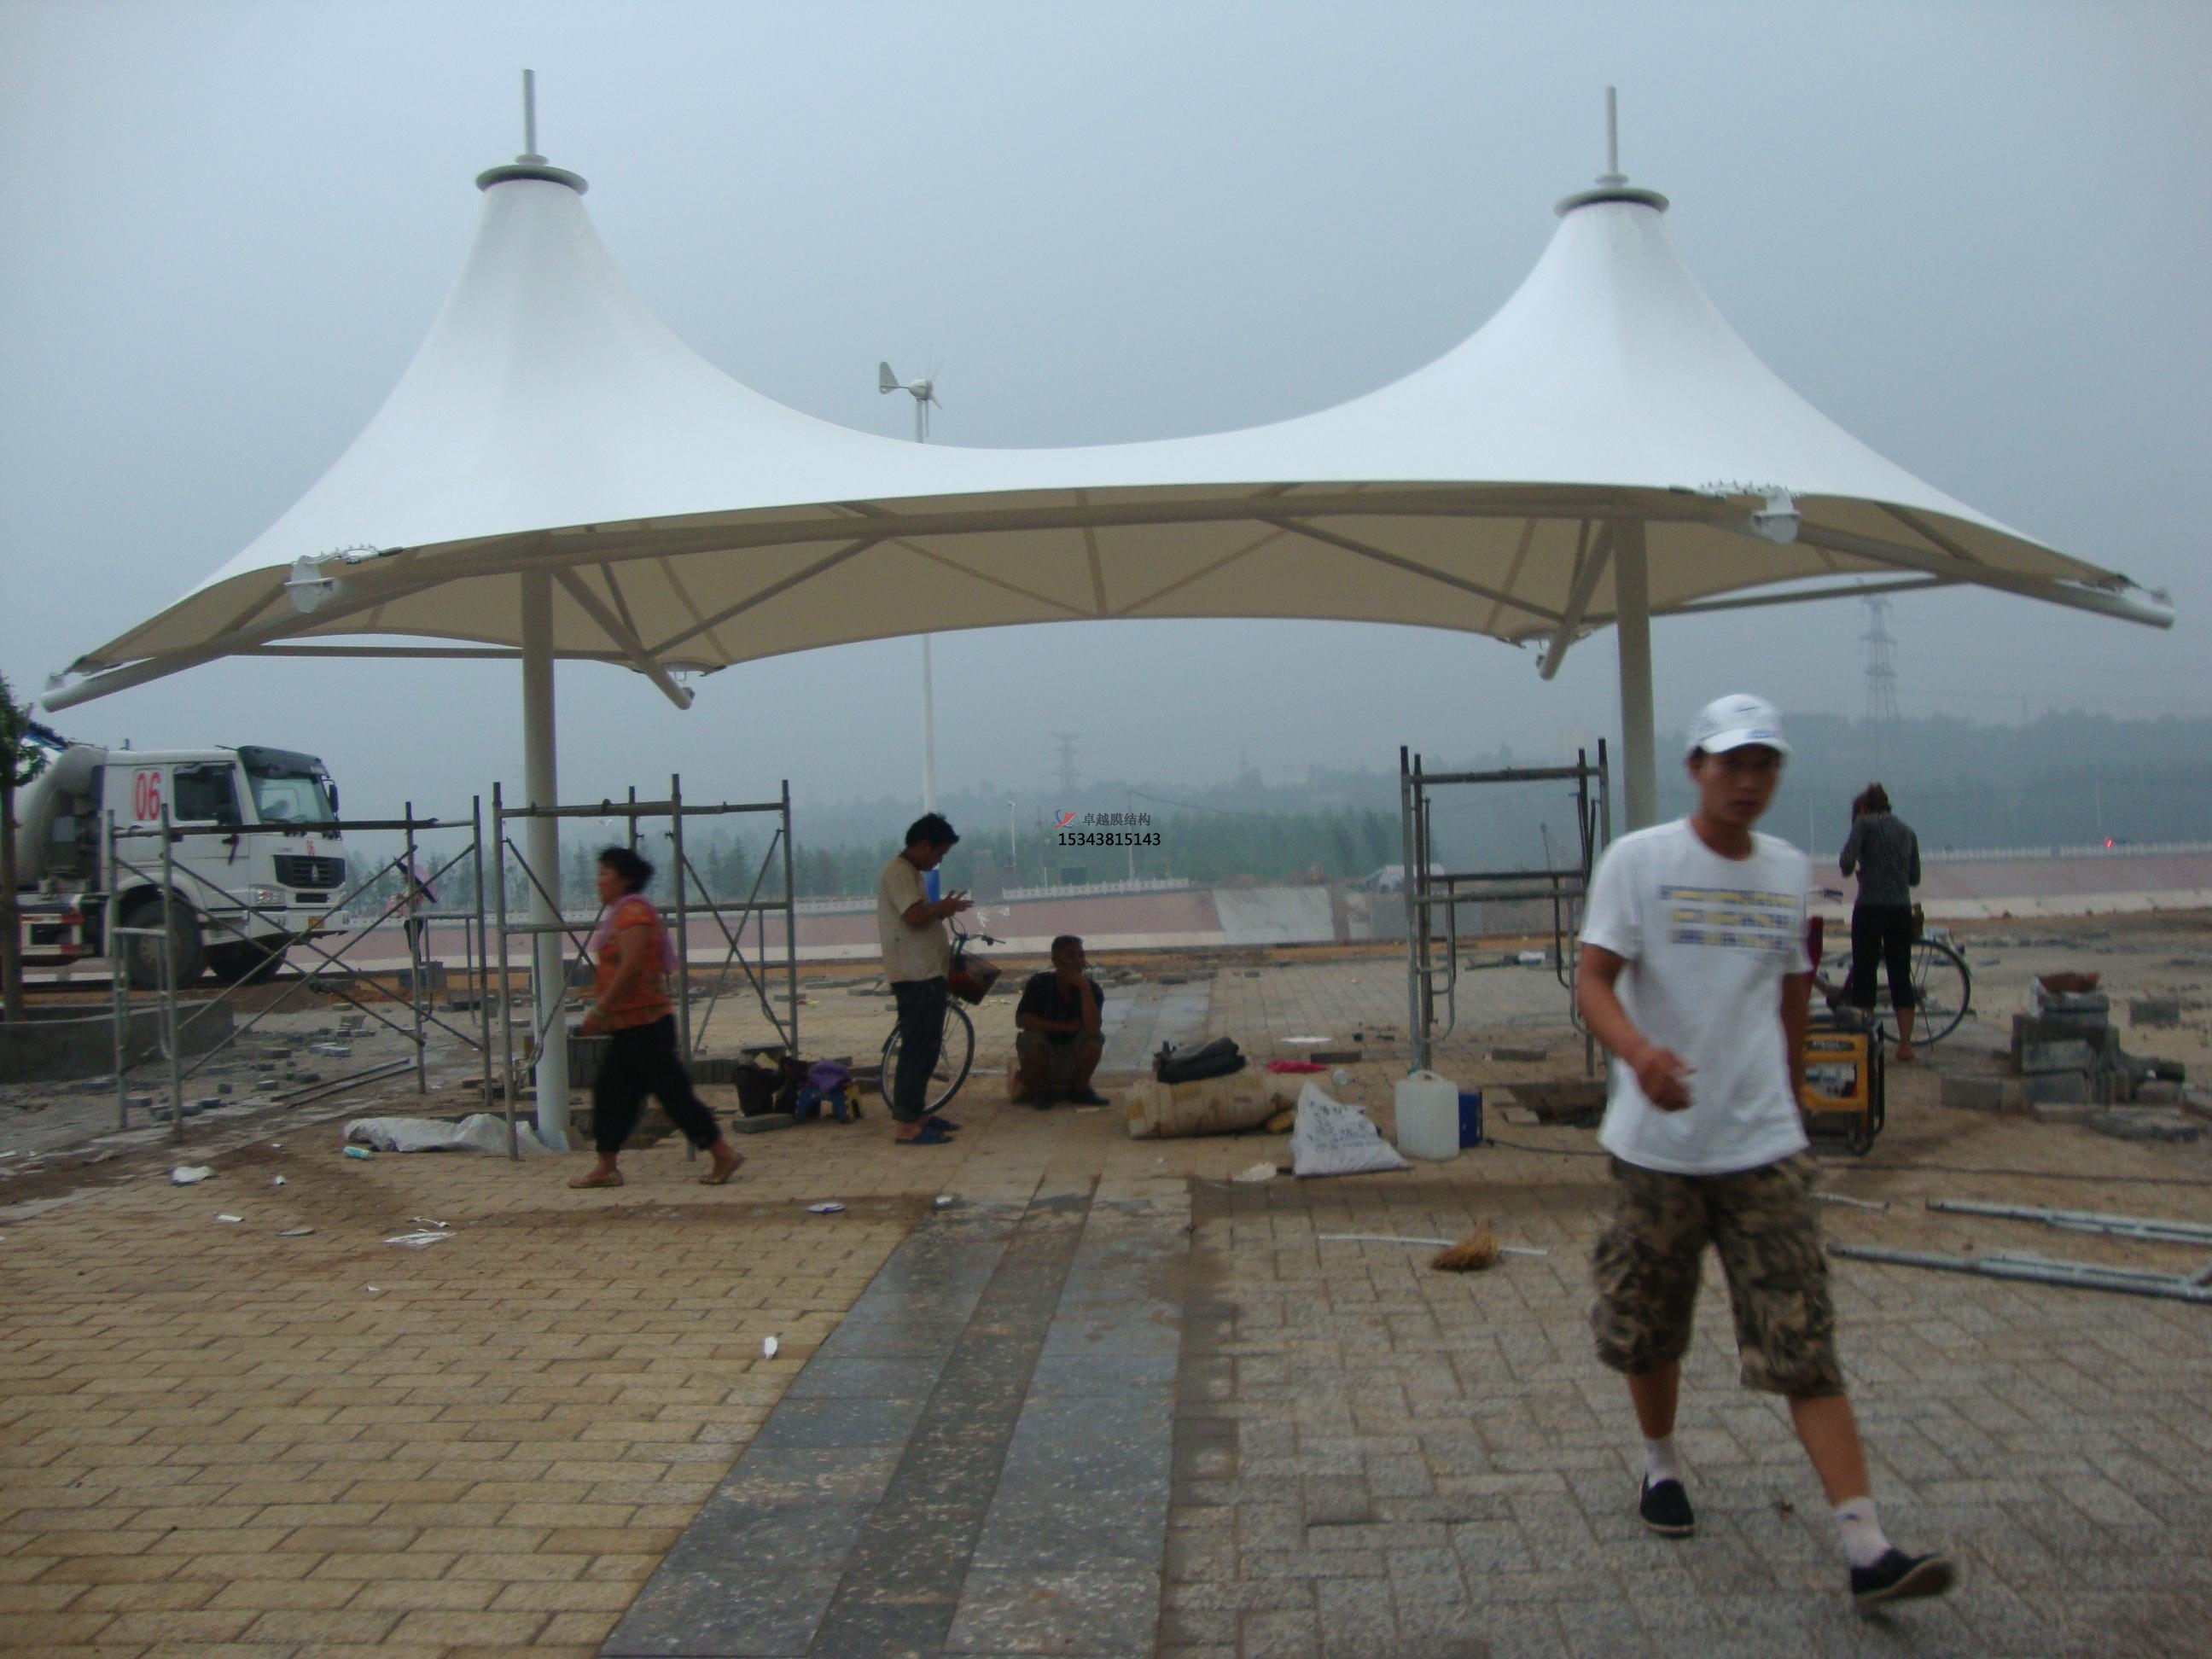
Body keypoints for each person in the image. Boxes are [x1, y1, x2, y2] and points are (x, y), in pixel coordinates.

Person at [1574, 695, 1952, 1609]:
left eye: (1764, 765)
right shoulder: (1639, 862)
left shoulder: (1785, 871)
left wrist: (1792, 1097)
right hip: (1658, 1147)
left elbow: (1791, 994)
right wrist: (1638, 1055)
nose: (1747, 782)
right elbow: (1592, 980)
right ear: (1696, 767)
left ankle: (1866, 1544)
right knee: (1649, 1321)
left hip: (1763, 1149)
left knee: (1801, 1333)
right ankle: (1661, 1462)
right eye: (1731, 763)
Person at [569, 847, 742, 1190]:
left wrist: (600, 1009)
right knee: (612, 1093)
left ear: (624, 879)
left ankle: (722, 1153)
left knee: (672, 1096)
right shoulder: (621, 914)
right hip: (629, 1026)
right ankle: (606, 1166)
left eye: (605, 873)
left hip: (646, 1026)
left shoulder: (634, 914)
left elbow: (631, 966)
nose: (598, 881)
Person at [876, 813, 971, 1145]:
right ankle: (906, 1125)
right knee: (917, 1049)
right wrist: (940, 907)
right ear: (923, 845)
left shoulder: (911, 873)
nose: (938, 861)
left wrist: (942, 909)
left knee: (928, 1047)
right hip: (914, 976)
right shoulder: (899, 873)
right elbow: (914, 916)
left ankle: (917, 1114)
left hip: (927, 973)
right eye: (939, 853)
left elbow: (920, 915)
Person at [1838, 783, 1924, 1060]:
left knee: (1865, 975)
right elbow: (1914, 878)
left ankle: (1865, 1042)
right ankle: (1905, 1045)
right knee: (1900, 976)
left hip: (1870, 909)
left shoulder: (1864, 825)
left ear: (1864, 807)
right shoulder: (1907, 831)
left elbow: (1846, 862)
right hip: (1900, 911)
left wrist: (1864, 870)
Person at [1013, 934, 1108, 1106]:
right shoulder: (1039, 983)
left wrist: (1084, 989)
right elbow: (1022, 1019)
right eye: (1070, 956)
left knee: (1096, 1039)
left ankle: (1080, 1089)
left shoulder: (1092, 989)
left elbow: (1093, 1028)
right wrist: (1063, 1027)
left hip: (1074, 1055)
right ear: (1056, 961)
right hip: (1045, 1054)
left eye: (1081, 956)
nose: (1077, 962)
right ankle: (1042, 1090)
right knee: (1031, 1038)